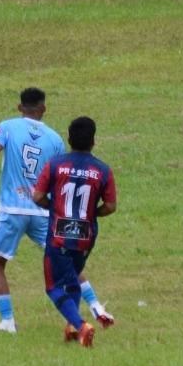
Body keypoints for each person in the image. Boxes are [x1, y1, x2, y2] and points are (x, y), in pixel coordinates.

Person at [0, 88, 113, 333]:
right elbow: (64, 171)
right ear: (44, 108)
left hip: (13, 209)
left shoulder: (6, 127)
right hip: (44, 213)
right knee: (68, 264)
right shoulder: (55, 139)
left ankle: (7, 322)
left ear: (20, 108)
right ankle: (95, 306)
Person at [31, 116, 117, 347]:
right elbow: (110, 206)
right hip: (86, 236)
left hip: (59, 234)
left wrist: (53, 207)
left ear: (68, 139)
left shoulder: (55, 165)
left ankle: (81, 325)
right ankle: (71, 327)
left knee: (53, 287)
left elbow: (37, 196)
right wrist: (91, 214)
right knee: (72, 280)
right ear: (94, 141)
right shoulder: (103, 170)